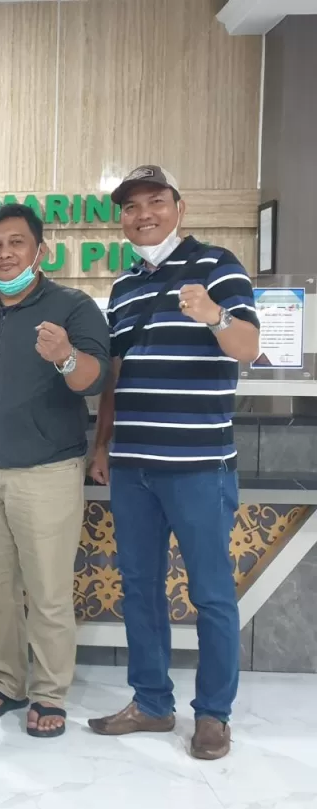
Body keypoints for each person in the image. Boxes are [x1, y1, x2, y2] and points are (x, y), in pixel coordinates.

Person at [87, 166, 260, 760]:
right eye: (131, 207)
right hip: (133, 466)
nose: (143, 215)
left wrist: (214, 315)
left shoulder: (218, 265)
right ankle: (152, 702)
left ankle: (213, 714)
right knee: (140, 588)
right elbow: (116, 374)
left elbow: (249, 347)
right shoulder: (124, 286)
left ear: (178, 208)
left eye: (155, 202)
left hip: (199, 465)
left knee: (211, 593)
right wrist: (103, 444)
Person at [0, 204, 110, 738]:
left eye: (17, 243)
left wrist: (64, 355)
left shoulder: (73, 307)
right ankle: (6, 681)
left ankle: (49, 693)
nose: (5, 253)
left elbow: (95, 380)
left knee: (48, 592)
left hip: (48, 472)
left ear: (41, 251)